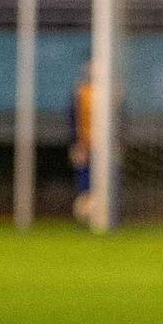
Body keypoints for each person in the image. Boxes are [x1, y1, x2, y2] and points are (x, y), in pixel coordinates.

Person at [70, 59, 97, 227]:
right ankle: (85, 218)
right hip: (85, 145)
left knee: (107, 182)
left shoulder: (111, 91)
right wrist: (76, 143)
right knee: (85, 183)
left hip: (105, 148)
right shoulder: (80, 92)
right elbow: (73, 119)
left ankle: (105, 215)